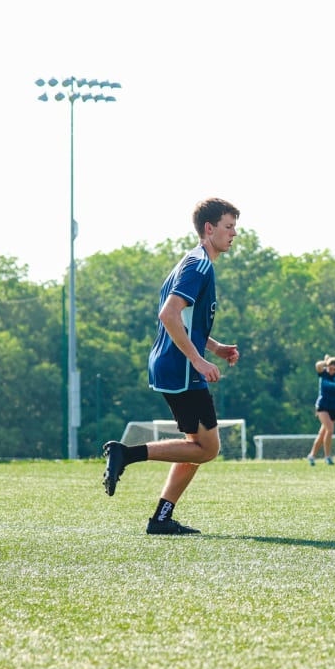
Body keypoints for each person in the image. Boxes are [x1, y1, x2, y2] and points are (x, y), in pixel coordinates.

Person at [101, 197, 241, 535]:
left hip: (171, 365)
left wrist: (215, 346)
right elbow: (168, 315)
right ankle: (125, 454)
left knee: (195, 446)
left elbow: (183, 320)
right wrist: (197, 359)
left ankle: (162, 518)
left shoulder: (189, 262)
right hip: (181, 369)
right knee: (207, 449)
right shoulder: (199, 266)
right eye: (228, 226)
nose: (234, 234)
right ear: (209, 229)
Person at [307, 355, 335, 465]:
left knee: (323, 433)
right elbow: (318, 365)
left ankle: (312, 455)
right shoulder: (323, 374)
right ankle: (327, 457)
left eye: (334, 369)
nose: (332, 371)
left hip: (334, 407)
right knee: (330, 430)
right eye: (330, 368)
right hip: (323, 406)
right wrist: (327, 362)